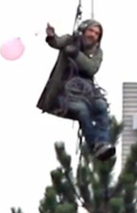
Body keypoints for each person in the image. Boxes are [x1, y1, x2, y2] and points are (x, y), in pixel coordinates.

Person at [37, 18, 115, 160]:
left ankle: (103, 141)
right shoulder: (70, 40)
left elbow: (91, 68)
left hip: (86, 92)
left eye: (97, 33)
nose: (93, 35)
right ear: (83, 30)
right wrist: (51, 36)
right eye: (91, 30)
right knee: (82, 110)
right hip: (63, 93)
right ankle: (94, 145)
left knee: (101, 106)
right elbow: (57, 42)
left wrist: (76, 54)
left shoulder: (97, 52)